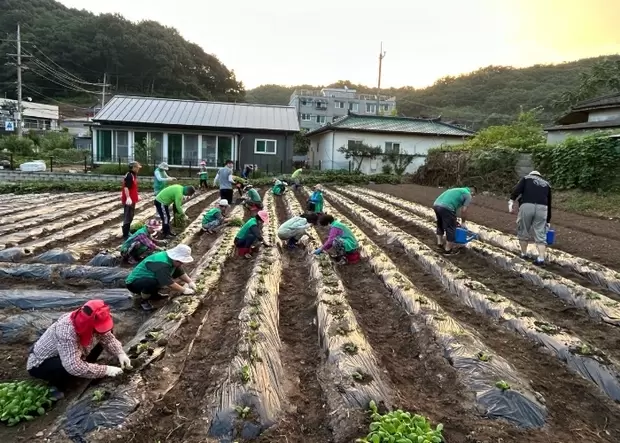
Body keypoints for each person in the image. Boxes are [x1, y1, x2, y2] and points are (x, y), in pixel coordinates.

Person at [27, 299, 131, 398]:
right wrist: (107, 370)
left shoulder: (85, 320)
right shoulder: (66, 331)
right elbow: (73, 366)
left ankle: (85, 367)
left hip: (72, 353)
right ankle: (56, 386)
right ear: (88, 323)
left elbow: (107, 337)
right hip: (41, 363)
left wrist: (120, 353)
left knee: (105, 334)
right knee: (66, 368)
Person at [125, 244, 197, 311]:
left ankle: (154, 295)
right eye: (180, 262)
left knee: (156, 281)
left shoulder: (171, 260)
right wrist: (183, 290)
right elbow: (168, 282)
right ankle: (143, 300)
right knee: (152, 282)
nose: (181, 264)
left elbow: (179, 271)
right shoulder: (162, 263)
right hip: (133, 283)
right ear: (176, 258)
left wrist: (189, 281)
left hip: (147, 277)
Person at [509, 170, 552, 266]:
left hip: (527, 205)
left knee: (523, 229)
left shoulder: (526, 178)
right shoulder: (547, 184)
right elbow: (549, 203)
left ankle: (524, 254)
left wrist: (511, 201)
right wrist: (548, 220)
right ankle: (541, 259)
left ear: (531, 174)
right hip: (542, 208)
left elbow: (517, 190)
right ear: (540, 176)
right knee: (540, 234)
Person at [433, 186, 476, 255]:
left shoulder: (456, 190)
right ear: (472, 192)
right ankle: (448, 250)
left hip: (436, 205)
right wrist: (463, 222)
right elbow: (464, 210)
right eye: (473, 195)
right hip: (447, 207)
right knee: (451, 228)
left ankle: (439, 244)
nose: (472, 197)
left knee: (440, 224)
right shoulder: (468, 194)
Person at [121, 161, 142, 240]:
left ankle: (127, 231)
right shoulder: (129, 176)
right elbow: (126, 187)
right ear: (133, 168)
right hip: (128, 200)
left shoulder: (133, 175)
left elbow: (133, 187)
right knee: (128, 216)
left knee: (131, 215)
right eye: (137, 167)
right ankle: (125, 234)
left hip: (132, 199)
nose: (138, 169)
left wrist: (137, 195)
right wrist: (128, 197)